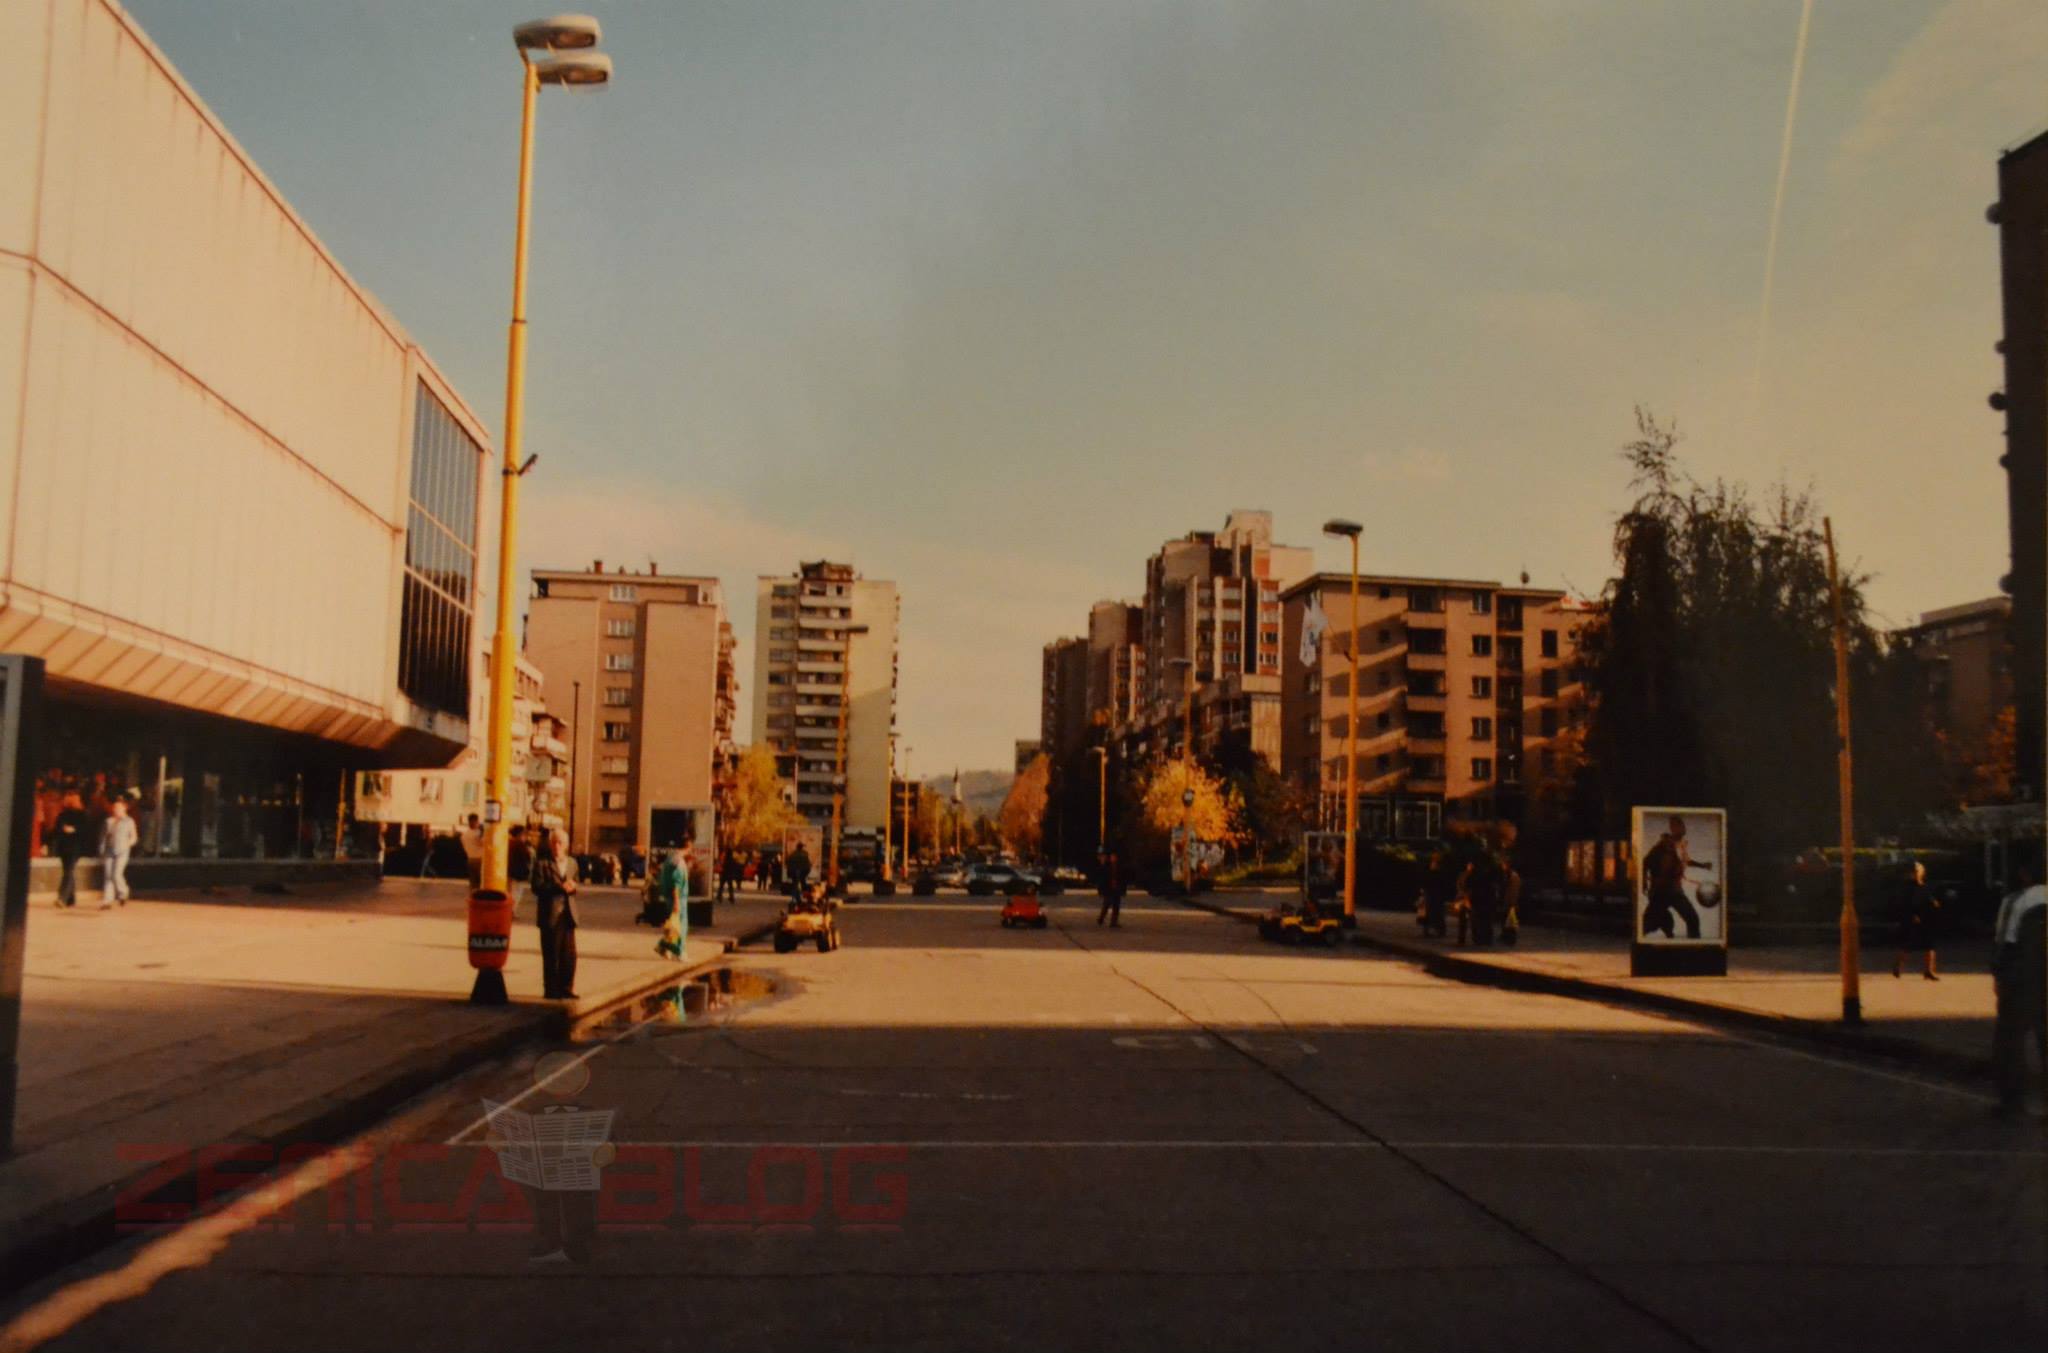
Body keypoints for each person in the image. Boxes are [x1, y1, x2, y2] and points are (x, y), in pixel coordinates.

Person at [1992, 866, 2046, 1116]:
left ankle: (2012, 1101)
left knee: (2010, 1040)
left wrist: (1999, 977)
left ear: (2024, 874)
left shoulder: (2014, 901)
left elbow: (2004, 943)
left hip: (2022, 979)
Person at [1640, 814, 1713, 940]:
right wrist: (1644, 882)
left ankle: (1694, 945)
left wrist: (1702, 865)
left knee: (1692, 918)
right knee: (1649, 924)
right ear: (1673, 828)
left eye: (1682, 825)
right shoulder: (1663, 845)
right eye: (1678, 825)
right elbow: (1646, 862)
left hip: (1674, 891)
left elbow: (1685, 861)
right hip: (1661, 891)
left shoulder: (1679, 845)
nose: (1683, 828)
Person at [531, 829, 579, 1000]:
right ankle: (551, 989)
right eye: (554, 842)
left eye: (560, 843)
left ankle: (567, 987)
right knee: (551, 954)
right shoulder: (542, 863)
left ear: (566, 845)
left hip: (568, 914)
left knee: (569, 954)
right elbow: (537, 887)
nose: (557, 846)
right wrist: (559, 887)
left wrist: (573, 887)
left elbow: (575, 882)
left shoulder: (572, 863)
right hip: (550, 914)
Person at [1891, 860, 1942, 981]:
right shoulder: (1908, 887)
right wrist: (1912, 915)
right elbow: (1906, 903)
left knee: (1929, 946)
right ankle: (1897, 966)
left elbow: (1928, 899)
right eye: (1914, 871)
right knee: (1909, 945)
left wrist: (1934, 903)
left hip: (1924, 918)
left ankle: (1928, 971)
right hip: (1913, 919)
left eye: (1918, 871)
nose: (1916, 873)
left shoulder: (1923, 886)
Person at [52, 791, 92, 908]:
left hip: (75, 847)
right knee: (68, 871)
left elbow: (86, 830)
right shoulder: (62, 814)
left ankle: (62, 898)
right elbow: (56, 829)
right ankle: (71, 899)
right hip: (64, 847)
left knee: (68, 871)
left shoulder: (82, 815)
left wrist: (74, 830)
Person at [98, 796, 139, 908]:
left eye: (118, 808)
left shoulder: (129, 821)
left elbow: (134, 837)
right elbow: (103, 837)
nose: (116, 810)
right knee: (108, 875)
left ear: (124, 808)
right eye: (115, 808)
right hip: (109, 851)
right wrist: (102, 849)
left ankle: (123, 892)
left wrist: (128, 844)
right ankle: (107, 900)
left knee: (117, 874)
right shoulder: (109, 821)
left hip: (122, 852)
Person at [652, 849, 689, 960]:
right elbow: (676, 884)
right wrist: (677, 902)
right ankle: (679, 951)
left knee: (672, 925)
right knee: (680, 927)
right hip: (678, 899)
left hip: (670, 897)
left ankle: (664, 948)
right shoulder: (678, 862)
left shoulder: (669, 859)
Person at [1096, 849, 1125, 928]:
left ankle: (1113, 922)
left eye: (1114, 857)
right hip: (1109, 889)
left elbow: (1122, 878)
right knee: (1106, 904)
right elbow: (1102, 877)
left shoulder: (1119, 866)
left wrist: (1122, 889)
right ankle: (1101, 918)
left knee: (1116, 906)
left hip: (1116, 888)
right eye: (1112, 857)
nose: (1113, 858)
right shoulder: (1107, 866)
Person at [459, 813, 485, 888]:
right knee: (481, 882)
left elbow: (464, 847)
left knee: (473, 882)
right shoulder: (479, 834)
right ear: (476, 821)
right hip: (480, 859)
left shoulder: (464, 835)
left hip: (470, 859)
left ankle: (473, 893)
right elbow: (484, 843)